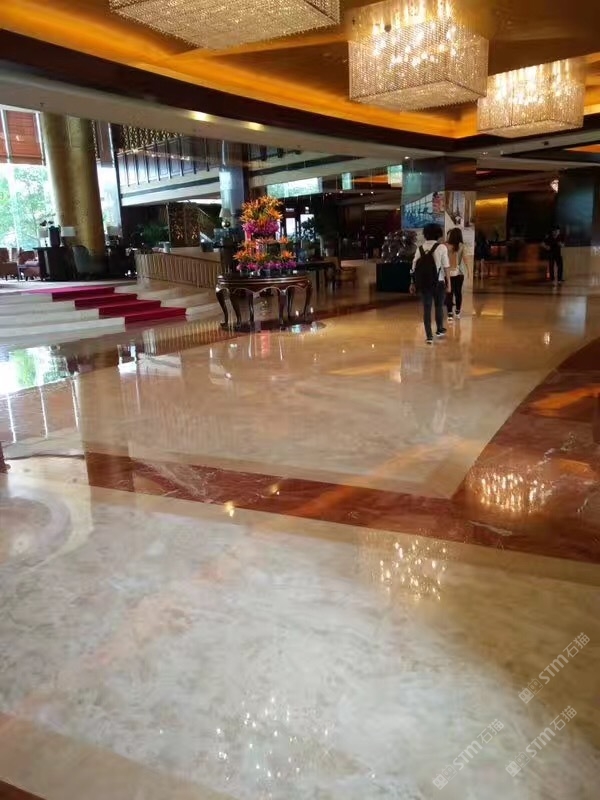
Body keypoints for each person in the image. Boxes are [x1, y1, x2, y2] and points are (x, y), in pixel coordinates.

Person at [411, 223, 450, 345]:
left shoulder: (420, 248)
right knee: (439, 306)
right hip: (439, 282)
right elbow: (446, 267)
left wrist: (412, 283)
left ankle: (429, 336)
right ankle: (439, 329)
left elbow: (413, 267)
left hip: (424, 283)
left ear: (425, 234)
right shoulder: (442, 248)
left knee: (427, 309)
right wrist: (449, 284)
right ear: (438, 234)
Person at [445, 227, 468, 320]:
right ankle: (457, 311)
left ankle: (450, 313)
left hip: (448, 272)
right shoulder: (462, 246)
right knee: (458, 292)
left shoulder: (446, 246)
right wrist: (468, 271)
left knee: (449, 292)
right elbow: (465, 259)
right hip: (459, 272)